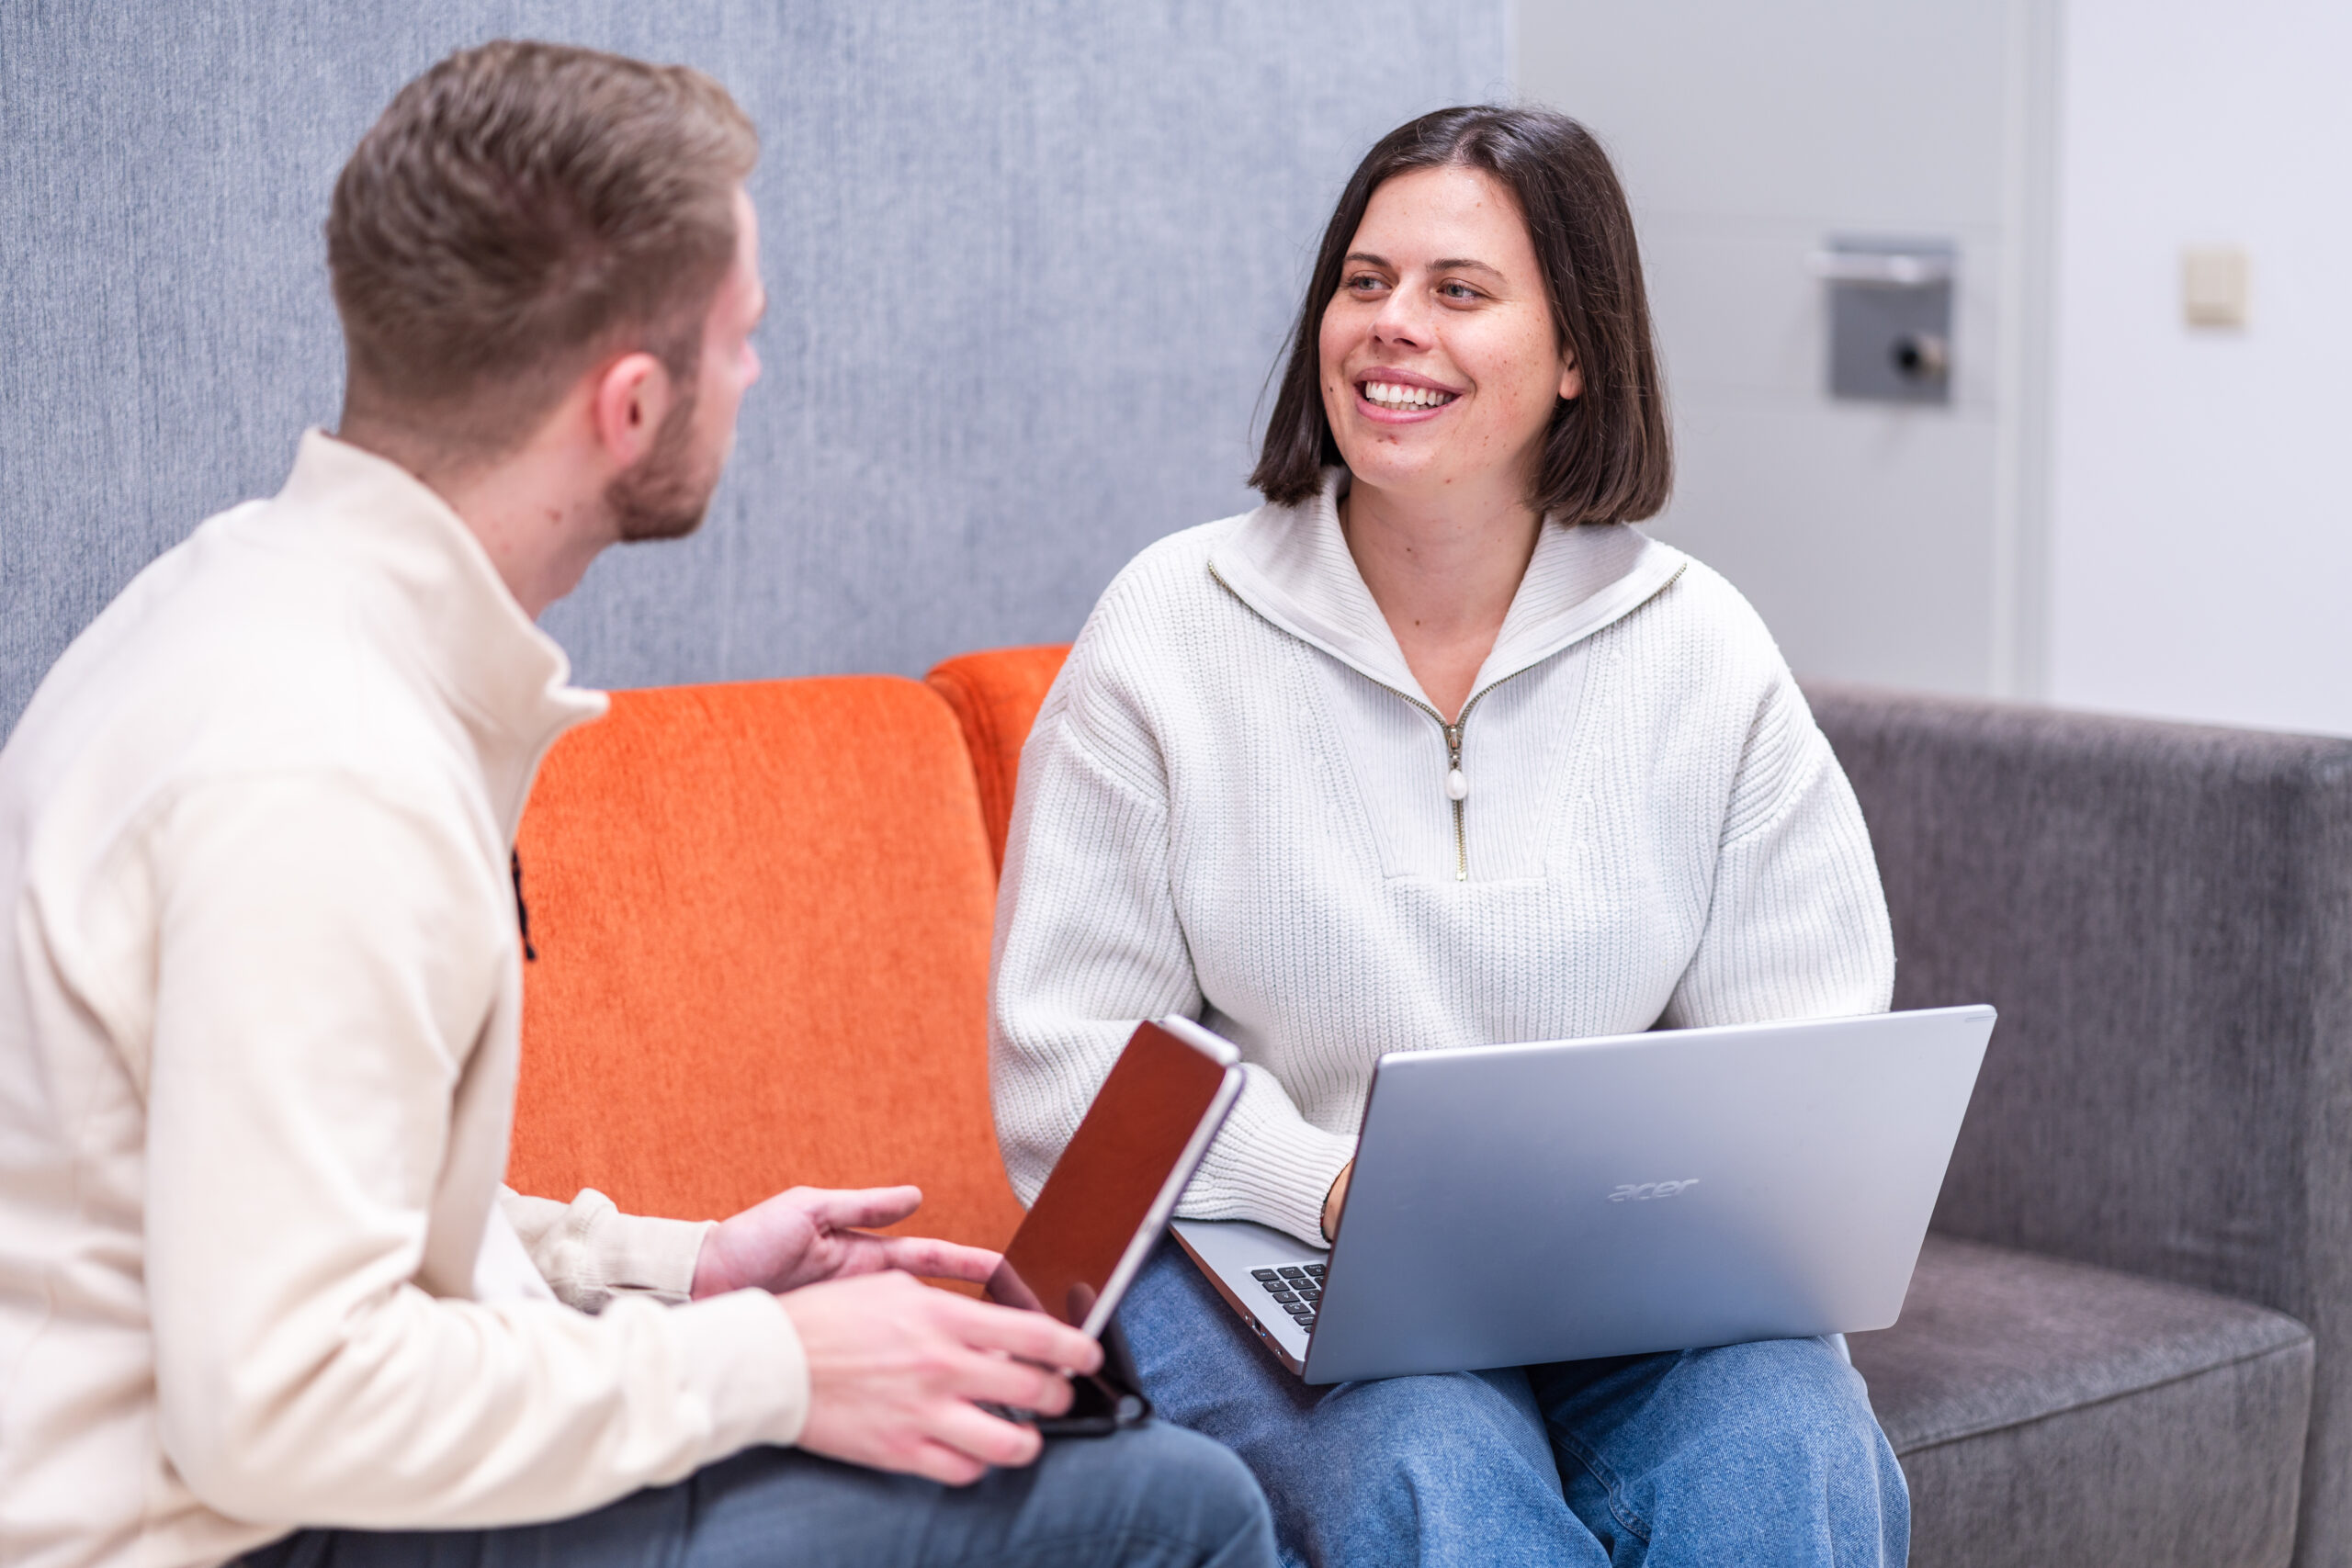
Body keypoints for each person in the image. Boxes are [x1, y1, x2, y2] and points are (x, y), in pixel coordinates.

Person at [0, 40, 1275, 1568]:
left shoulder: (242, 607)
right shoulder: (322, 772)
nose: (755, 377)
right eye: (741, 339)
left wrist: (672, 1271)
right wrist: (781, 1373)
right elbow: (279, 1398)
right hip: (222, 1535)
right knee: (1171, 1511)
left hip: (265, 1486)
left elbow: (317, 1209)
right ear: (629, 404)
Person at [989, 106, 1906, 1566]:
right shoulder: (1169, 626)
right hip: (1259, 1253)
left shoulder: (1702, 649)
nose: (1390, 327)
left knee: (1789, 1438)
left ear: (1575, 354)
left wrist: (1665, 1227)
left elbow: (1803, 1054)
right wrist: (1329, 1188)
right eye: (1363, 283)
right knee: (1431, 1455)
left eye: (1458, 291)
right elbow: (1068, 1063)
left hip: (1605, 1276)